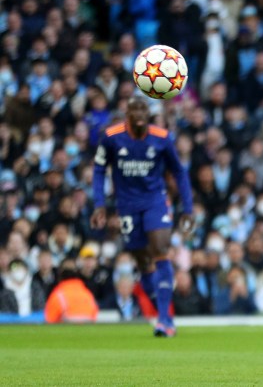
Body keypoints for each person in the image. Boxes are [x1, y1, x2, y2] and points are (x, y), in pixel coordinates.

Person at [92, 97, 194, 337]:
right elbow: (98, 170)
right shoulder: (111, 136)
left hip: (155, 202)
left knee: (160, 249)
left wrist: (188, 207)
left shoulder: (162, 137)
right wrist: (99, 204)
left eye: (143, 109)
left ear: (149, 113)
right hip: (126, 206)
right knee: (142, 261)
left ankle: (165, 320)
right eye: (134, 108)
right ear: (126, 113)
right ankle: (162, 310)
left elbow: (179, 171)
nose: (139, 113)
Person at [44, 259, 99, 323]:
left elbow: (50, 321)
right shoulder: (88, 295)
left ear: (60, 276)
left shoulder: (57, 296)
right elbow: (94, 315)